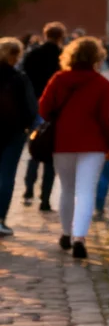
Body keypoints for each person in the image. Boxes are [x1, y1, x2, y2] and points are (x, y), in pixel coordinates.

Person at [36, 36, 109, 259]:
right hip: (93, 144)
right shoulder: (102, 83)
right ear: (97, 57)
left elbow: (43, 109)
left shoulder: (59, 79)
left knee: (67, 189)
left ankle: (66, 234)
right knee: (86, 190)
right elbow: (107, 119)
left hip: (63, 142)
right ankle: (80, 238)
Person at [20, 22, 66, 210]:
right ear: (61, 36)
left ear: (45, 34)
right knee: (50, 155)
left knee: (34, 150)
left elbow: (24, 81)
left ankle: (28, 188)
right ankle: (45, 199)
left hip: (35, 108)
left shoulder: (32, 55)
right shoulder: (63, 57)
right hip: (55, 110)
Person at [0, 38, 36, 236]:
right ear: (15, 56)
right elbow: (31, 109)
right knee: (6, 176)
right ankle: (0, 220)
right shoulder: (19, 78)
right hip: (13, 133)